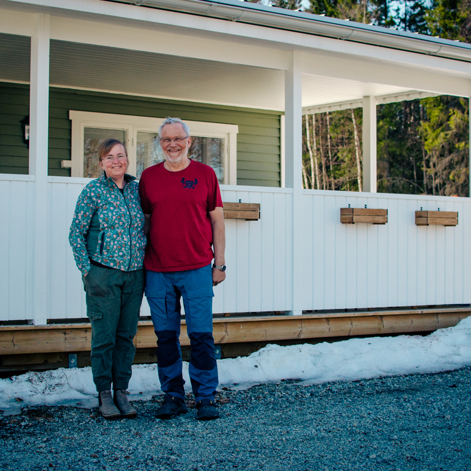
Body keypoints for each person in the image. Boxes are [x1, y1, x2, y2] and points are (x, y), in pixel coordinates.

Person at [139, 117, 226, 421]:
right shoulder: (149, 177)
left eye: (178, 138)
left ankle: (205, 397)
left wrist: (219, 263)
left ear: (189, 141)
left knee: (201, 335)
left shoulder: (205, 174)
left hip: (197, 268)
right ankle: (173, 396)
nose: (172, 144)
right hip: (158, 271)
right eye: (166, 139)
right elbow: (145, 223)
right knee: (166, 337)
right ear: (160, 143)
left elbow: (217, 221)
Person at [69, 139, 146, 420]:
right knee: (104, 337)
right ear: (101, 163)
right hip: (103, 274)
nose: (116, 161)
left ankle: (121, 392)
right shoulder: (93, 191)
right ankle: (104, 394)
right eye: (110, 157)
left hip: (134, 275)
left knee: (126, 337)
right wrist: (87, 271)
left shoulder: (138, 190)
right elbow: (76, 233)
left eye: (120, 156)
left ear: (127, 159)